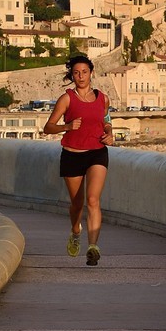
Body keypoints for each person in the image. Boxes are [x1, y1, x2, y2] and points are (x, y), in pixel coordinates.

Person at [43, 55, 114, 265]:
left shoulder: (103, 98)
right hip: (72, 154)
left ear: (91, 72)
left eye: (84, 72)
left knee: (93, 199)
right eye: (76, 72)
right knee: (77, 204)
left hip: (97, 152)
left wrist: (109, 132)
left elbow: (106, 120)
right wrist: (67, 126)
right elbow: (48, 127)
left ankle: (93, 247)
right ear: (71, 75)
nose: (80, 76)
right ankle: (76, 231)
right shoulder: (66, 99)